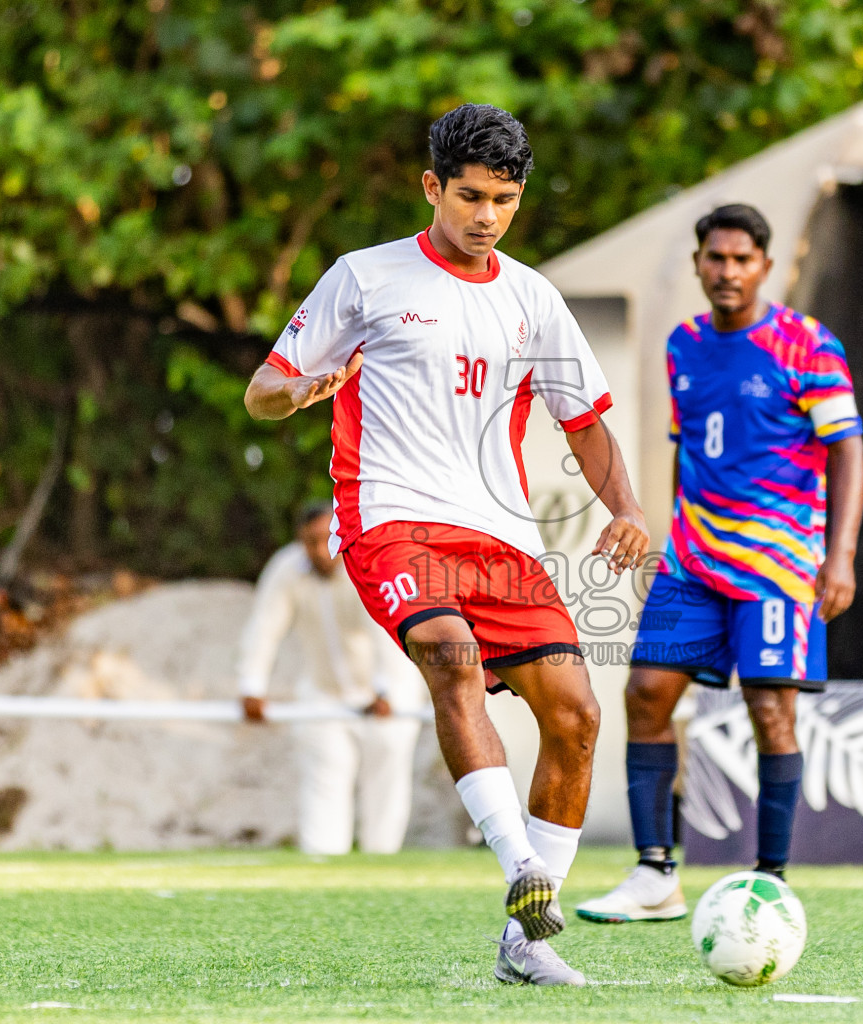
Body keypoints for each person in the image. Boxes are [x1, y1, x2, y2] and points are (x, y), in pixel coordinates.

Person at [243, 103, 649, 985]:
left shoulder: (533, 298)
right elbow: (260, 394)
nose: (487, 216)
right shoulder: (364, 278)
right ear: (433, 187)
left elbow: (584, 421)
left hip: (499, 532)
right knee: (450, 657)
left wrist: (626, 507)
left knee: (577, 718)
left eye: (504, 199)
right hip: (388, 516)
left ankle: (526, 945)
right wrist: (306, 386)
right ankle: (524, 872)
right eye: (470, 196)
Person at [575, 203, 863, 924]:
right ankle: (654, 876)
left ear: (765, 266)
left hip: (779, 563)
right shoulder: (683, 345)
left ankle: (772, 880)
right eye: (716, 258)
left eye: (742, 260)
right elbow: (689, 448)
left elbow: (848, 450)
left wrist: (841, 556)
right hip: (692, 562)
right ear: (700, 263)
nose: (728, 271)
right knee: (645, 694)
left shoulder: (808, 344)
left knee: (771, 710)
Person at [237, 500, 424, 855]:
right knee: (324, 780)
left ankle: (381, 865)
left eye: (328, 539)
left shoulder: (368, 560)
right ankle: (323, 870)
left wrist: (385, 691)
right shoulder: (287, 569)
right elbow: (264, 627)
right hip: (323, 696)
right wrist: (252, 686)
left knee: (385, 785)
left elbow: (387, 630)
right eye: (311, 541)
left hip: (389, 697)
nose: (321, 551)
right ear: (299, 540)